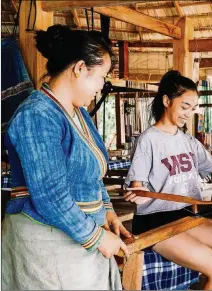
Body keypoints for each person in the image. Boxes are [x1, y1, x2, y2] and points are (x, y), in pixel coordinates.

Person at [2, 25, 130, 290]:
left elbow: (92, 173)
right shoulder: (37, 114)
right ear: (80, 68)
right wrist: (97, 238)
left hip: (78, 241)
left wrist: (107, 211)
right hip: (45, 246)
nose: (101, 86)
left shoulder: (79, 113)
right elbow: (50, 196)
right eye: (101, 77)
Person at [123, 70, 212, 290]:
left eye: (192, 109)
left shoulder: (188, 141)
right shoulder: (148, 140)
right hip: (156, 221)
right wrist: (139, 195)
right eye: (184, 107)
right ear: (166, 100)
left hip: (186, 216)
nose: (188, 114)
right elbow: (139, 187)